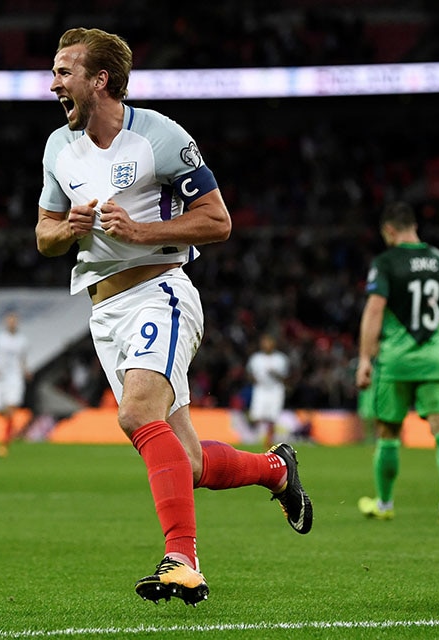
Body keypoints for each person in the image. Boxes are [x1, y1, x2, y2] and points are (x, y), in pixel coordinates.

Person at [35, 27, 312, 606]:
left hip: (159, 293)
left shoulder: (160, 136)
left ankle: (182, 560)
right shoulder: (58, 148)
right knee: (184, 462)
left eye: (65, 72)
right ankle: (275, 470)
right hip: (103, 311)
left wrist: (143, 232)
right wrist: (69, 228)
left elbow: (218, 221)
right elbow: (43, 236)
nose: (53, 82)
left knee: (137, 415)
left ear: (99, 81)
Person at [355, 202, 439, 524]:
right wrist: (437, 332)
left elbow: (374, 310)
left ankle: (385, 504)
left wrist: (364, 358)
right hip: (434, 358)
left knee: (388, 432)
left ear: (389, 229)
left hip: (396, 360)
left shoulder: (386, 262)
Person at [0, 311, 32, 457]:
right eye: (10, 320)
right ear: (6, 322)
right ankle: (16, 431)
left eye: (14, 320)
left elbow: (22, 359)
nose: (12, 323)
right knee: (0, 410)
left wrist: (25, 371)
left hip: (15, 377)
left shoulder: (22, 340)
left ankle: (5, 443)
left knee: (12, 407)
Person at [246, 333, 290, 448]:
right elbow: (249, 373)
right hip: (260, 389)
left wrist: (274, 373)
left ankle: (268, 441)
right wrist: (253, 379)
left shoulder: (280, 359)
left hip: (275, 389)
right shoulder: (256, 358)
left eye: (268, 342)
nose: (266, 344)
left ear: (273, 343)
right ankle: (253, 436)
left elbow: (285, 377)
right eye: (264, 342)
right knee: (256, 416)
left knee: (272, 417)